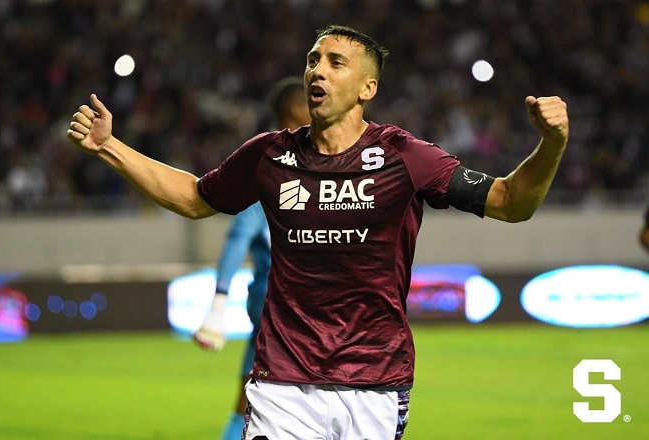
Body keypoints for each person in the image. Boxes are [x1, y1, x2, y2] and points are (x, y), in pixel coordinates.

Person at [66, 25, 569, 440]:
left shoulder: (405, 156)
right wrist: (110, 146)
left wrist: (552, 143)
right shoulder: (269, 155)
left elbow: (510, 202)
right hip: (282, 382)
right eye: (313, 60)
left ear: (367, 89)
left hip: (375, 383)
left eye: (335, 62)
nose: (317, 70)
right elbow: (194, 197)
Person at [193, 77, 311, 440]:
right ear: (296, 110)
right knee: (288, 390)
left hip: (280, 300)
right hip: (282, 303)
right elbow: (238, 238)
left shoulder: (303, 164)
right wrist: (218, 303)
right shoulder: (271, 168)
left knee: (251, 385)